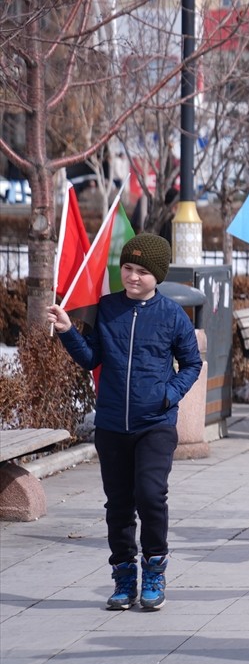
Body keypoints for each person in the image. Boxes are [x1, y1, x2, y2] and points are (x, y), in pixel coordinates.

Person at [47, 234, 202, 611]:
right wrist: (68, 331)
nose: (133, 277)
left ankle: (154, 567)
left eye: (142, 272)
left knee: (150, 497)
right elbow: (90, 359)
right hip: (113, 425)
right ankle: (122, 576)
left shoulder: (171, 316)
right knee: (118, 506)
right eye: (128, 269)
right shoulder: (108, 307)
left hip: (155, 424)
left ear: (158, 276)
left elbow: (192, 364)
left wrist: (168, 395)